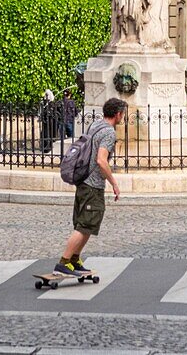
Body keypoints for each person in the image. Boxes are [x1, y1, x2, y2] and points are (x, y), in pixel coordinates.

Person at [53, 97, 126, 277]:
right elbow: (101, 160)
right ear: (118, 114)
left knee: (87, 225)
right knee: (84, 224)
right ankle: (63, 263)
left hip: (83, 181)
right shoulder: (109, 132)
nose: (123, 117)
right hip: (92, 184)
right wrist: (114, 183)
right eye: (122, 114)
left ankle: (75, 260)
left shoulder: (96, 125)